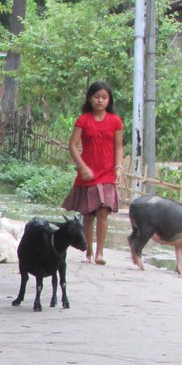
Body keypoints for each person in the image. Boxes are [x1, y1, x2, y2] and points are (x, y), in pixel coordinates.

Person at [62, 81, 124, 265]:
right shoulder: (83, 120)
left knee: (103, 212)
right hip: (87, 172)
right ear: (90, 98)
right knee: (88, 214)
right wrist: (82, 166)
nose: (100, 101)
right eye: (97, 97)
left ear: (109, 100)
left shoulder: (115, 121)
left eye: (104, 97)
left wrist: (119, 168)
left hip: (107, 172)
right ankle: (88, 251)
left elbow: (119, 147)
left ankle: (100, 253)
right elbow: (72, 145)